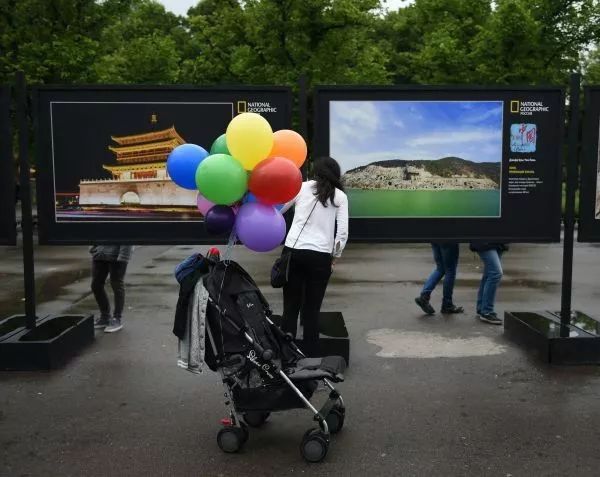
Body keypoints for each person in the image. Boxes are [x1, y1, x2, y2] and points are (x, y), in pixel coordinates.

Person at [280, 157, 349, 357]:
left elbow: (280, 209)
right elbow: (342, 233)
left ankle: (287, 357)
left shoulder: (301, 188)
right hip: (320, 257)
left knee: (290, 308)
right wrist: (335, 256)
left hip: (294, 251)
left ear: (315, 171)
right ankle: (311, 358)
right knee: (311, 310)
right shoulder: (340, 196)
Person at [90, 245, 134, 333]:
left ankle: (117, 319)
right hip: (100, 255)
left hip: (117, 256)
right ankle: (105, 317)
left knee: (117, 285)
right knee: (96, 285)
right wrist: (93, 248)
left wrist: (124, 256)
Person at [415, 243, 463, 315]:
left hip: (435, 238)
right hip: (448, 239)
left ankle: (424, 295)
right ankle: (447, 304)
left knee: (440, 268)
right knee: (450, 270)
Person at [469, 242, 508, 325]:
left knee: (489, 273)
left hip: (498, 242)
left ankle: (482, 308)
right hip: (484, 241)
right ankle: (487, 311)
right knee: (496, 273)